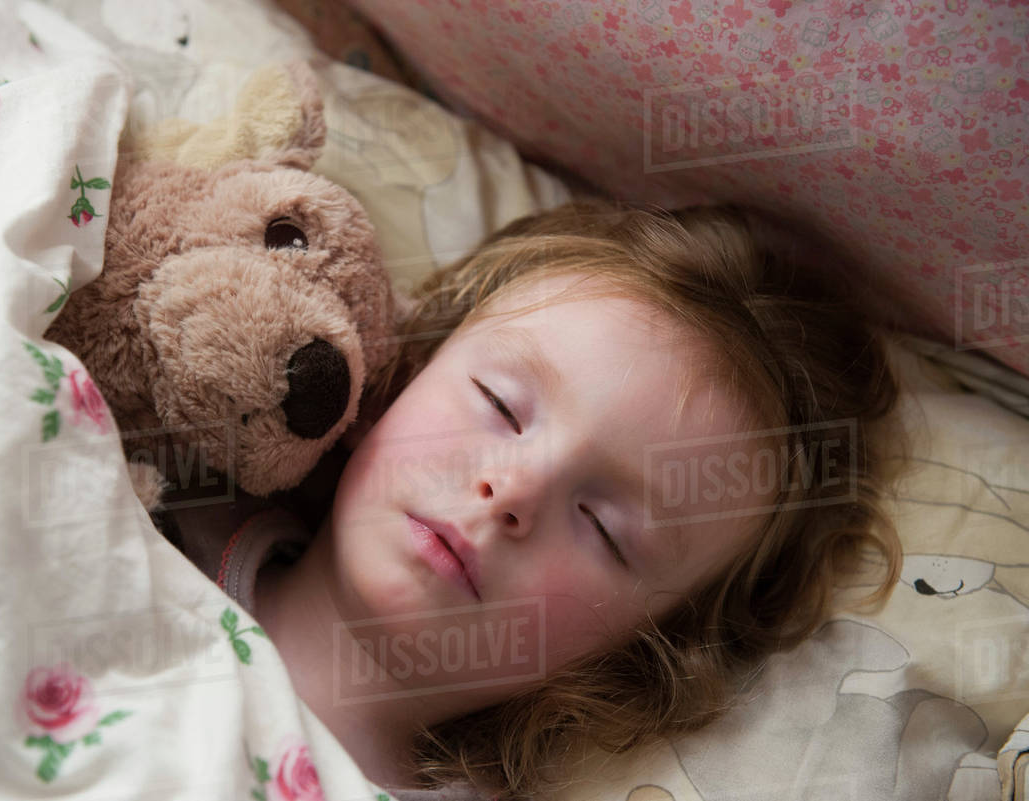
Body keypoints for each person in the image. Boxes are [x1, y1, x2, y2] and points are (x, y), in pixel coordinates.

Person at [179, 197, 908, 801]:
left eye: (605, 526)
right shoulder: (148, 493)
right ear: (411, 366)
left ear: (645, 650)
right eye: (500, 404)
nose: (513, 491)